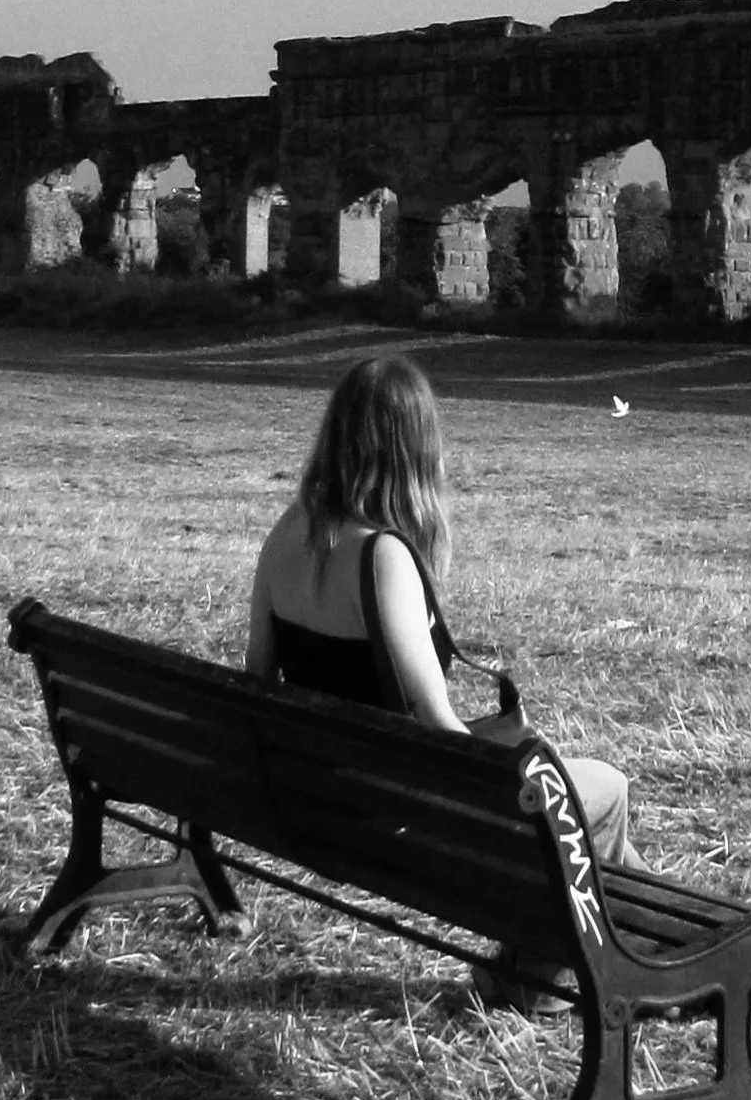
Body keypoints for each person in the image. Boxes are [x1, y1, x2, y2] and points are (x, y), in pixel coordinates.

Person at [246, 354, 637, 1006]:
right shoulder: (383, 557)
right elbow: (438, 733)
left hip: (310, 792)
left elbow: (257, 677)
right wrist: (515, 767)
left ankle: (610, 957)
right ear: (413, 450)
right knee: (604, 789)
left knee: (567, 786)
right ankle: (557, 973)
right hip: (388, 814)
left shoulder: (289, 531)